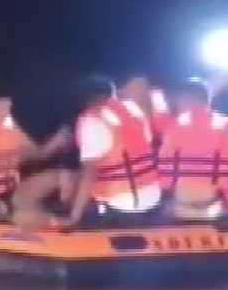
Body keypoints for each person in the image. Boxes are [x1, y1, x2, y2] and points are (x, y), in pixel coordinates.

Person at [61, 76, 163, 229]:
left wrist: (74, 216)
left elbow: (89, 174)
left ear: (86, 100)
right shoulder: (133, 109)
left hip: (123, 205)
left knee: (80, 204)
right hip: (154, 197)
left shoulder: (92, 120)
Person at [0, 97, 77, 226]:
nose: (4, 112)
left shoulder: (13, 133)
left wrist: (55, 142)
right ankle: (57, 223)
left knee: (57, 176)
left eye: (6, 108)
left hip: (10, 189)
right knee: (13, 214)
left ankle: (69, 219)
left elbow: (37, 154)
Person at [157, 77, 228, 219]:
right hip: (213, 207)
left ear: (185, 99)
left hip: (181, 208)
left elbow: (164, 169)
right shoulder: (224, 124)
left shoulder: (173, 126)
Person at [120, 74, 175, 146]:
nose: (140, 91)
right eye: (135, 88)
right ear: (125, 91)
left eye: (143, 87)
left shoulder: (163, 112)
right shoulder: (121, 116)